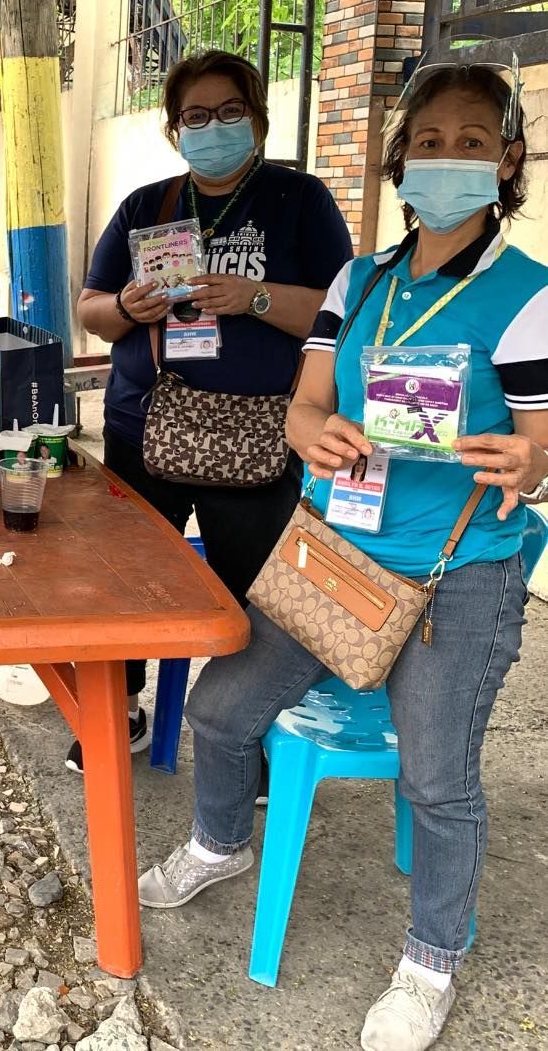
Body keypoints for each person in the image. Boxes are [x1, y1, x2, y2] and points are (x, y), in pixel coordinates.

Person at [138, 64, 548, 1051]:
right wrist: (314, 434)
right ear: (400, 158)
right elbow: (306, 401)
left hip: (458, 569)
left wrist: (532, 461)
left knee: (437, 778)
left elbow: (544, 441)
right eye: (430, 140)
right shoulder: (360, 281)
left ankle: (432, 956)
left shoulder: (528, 296)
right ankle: (219, 842)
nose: (448, 157)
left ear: (508, 160)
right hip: (330, 557)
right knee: (218, 708)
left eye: (472, 140)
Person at [73, 50, 353, 771]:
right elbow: (92, 312)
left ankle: (244, 734)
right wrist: (127, 308)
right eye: (195, 116)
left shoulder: (299, 200)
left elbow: (342, 313)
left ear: (257, 119)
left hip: (262, 434)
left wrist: (253, 296)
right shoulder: (148, 206)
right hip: (147, 427)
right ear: (174, 130)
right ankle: (119, 710)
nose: (213, 126)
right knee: (132, 579)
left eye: (230, 111)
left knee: (255, 591)